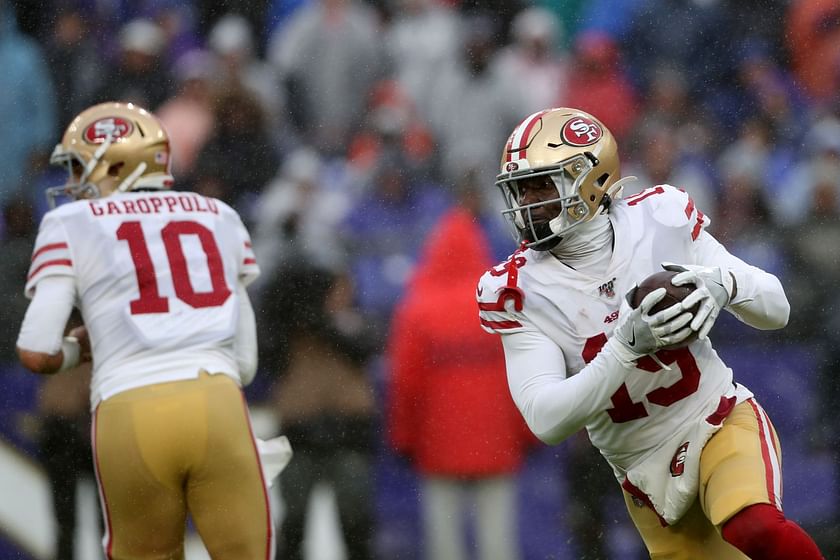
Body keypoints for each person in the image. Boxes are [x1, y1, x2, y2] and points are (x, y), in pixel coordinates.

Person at [476, 107, 825, 559]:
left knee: (755, 526)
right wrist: (625, 345)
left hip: (715, 417)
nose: (528, 202)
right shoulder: (520, 289)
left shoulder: (660, 218)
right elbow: (546, 418)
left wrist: (725, 285)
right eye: (521, 189)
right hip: (643, 471)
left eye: (542, 185)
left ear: (591, 179)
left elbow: (777, 307)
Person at [15, 101, 285, 559]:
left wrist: (82, 349)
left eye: (81, 166)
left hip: (129, 408)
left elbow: (37, 351)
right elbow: (244, 364)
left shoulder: (70, 223)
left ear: (114, 164)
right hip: (216, 403)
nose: (75, 182)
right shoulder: (218, 214)